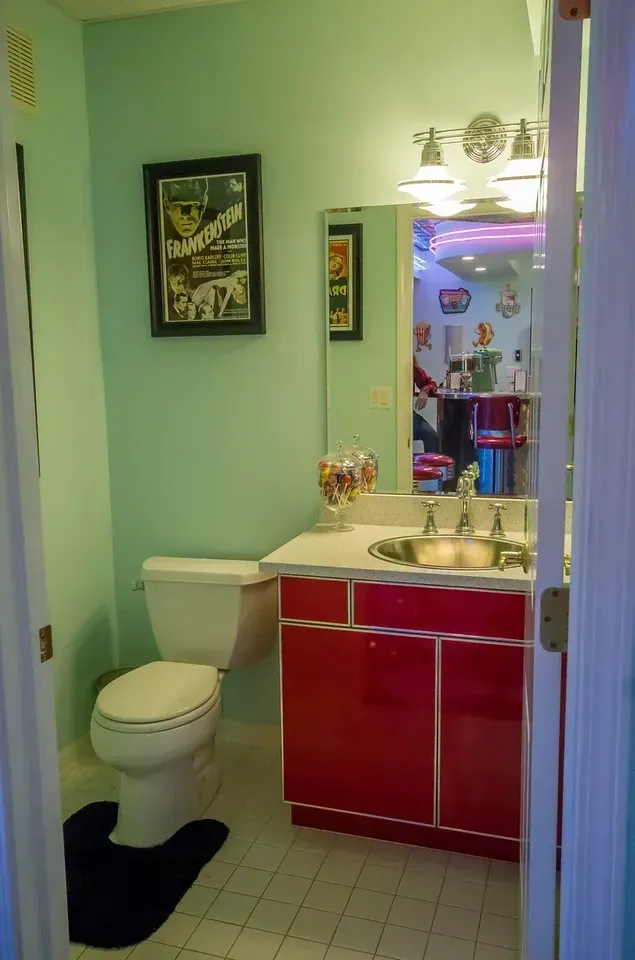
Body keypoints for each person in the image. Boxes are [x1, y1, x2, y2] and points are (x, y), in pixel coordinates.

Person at [413, 358, 439, 453]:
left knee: (431, 436)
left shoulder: (413, 368)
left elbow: (432, 384)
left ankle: (431, 467)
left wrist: (425, 390)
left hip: (408, 414)